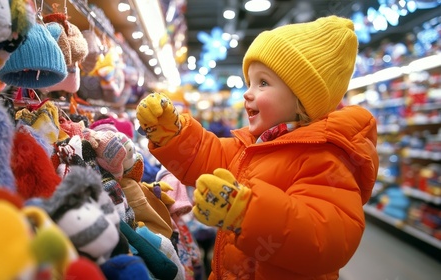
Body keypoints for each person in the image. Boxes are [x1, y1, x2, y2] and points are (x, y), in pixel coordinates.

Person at [135, 15, 379, 280]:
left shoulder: (327, 158)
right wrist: (172, 134)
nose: (247, 92)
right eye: (249, 82)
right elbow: (207, 154)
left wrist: (246, 213)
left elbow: (325, 239)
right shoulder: (255, 146)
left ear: (302, 100)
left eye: (263, 83)